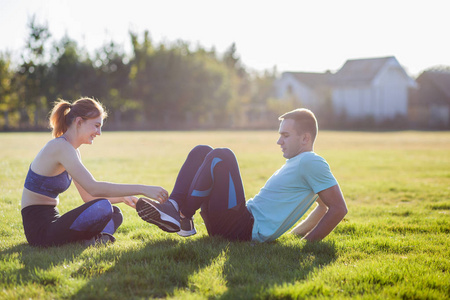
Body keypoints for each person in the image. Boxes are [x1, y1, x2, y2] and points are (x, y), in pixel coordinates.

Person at [137, 108, 347, 242]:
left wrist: (308, 244)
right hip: (235, 223)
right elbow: (323, 205)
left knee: (222, 156)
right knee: (202, 151)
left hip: (244, 227)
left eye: (285, 135)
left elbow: (337, 208)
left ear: (305, 138)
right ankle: (175, 208)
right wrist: (295, 236)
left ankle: (182, 216)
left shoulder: (311, 162)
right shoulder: (301, 164)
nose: (279, 141)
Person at [21, 97, 168, 247]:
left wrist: (124, 197)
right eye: (96, 126)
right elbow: (94, 188)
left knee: (114, 213)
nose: (99, 132)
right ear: (79, 122)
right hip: (39, 231)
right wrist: (143, 189)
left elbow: (88, 196)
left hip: (54, 222)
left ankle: (87, 241)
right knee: (103, 207)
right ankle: (90, 240)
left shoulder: (71, 151)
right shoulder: (60, 148)